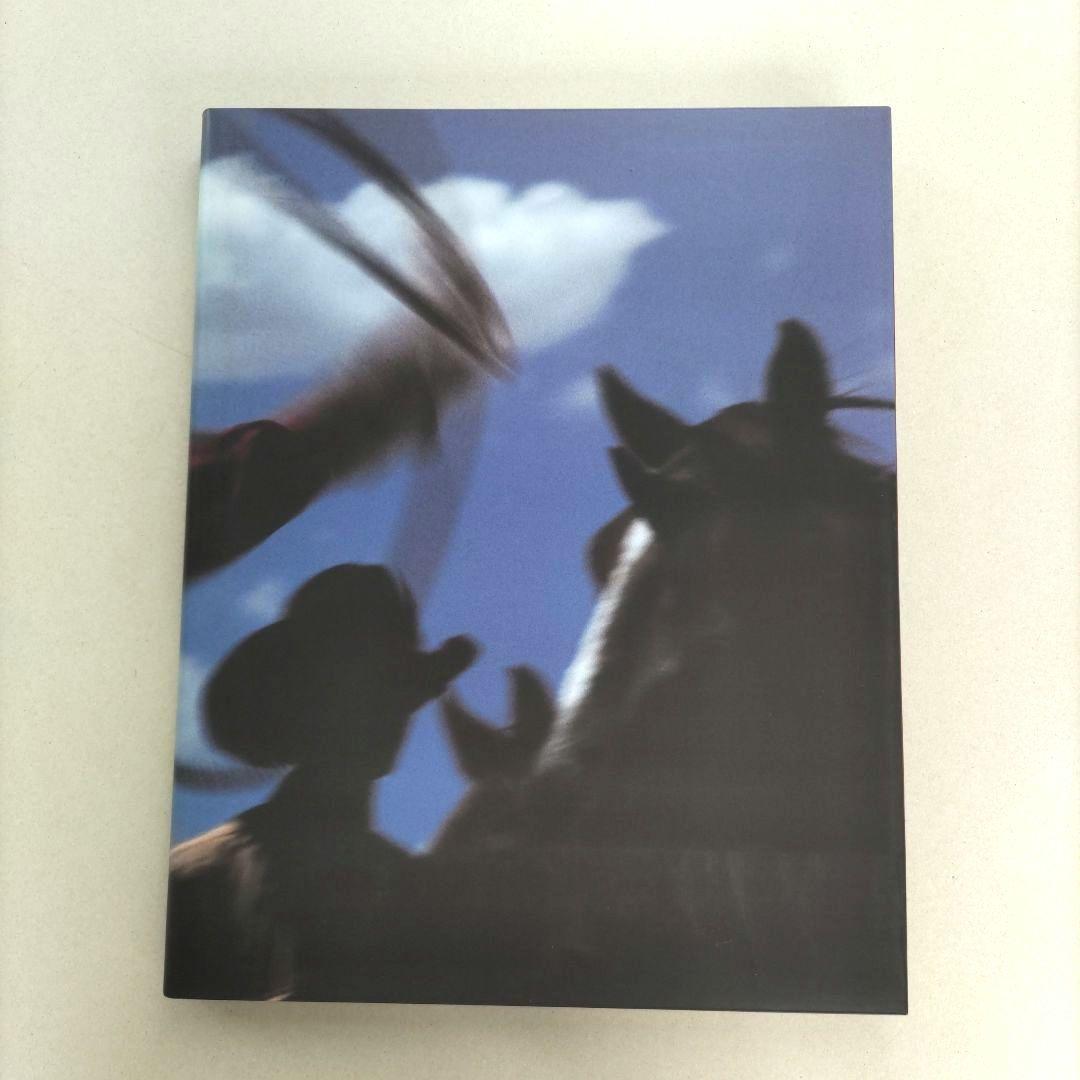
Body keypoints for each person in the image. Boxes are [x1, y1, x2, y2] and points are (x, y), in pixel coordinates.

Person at [164, 564, 478, 1000]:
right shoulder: (204, 875)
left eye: (399, 691)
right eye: (377, 691)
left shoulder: (415, 890)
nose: (397, 714)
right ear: (313, 705)